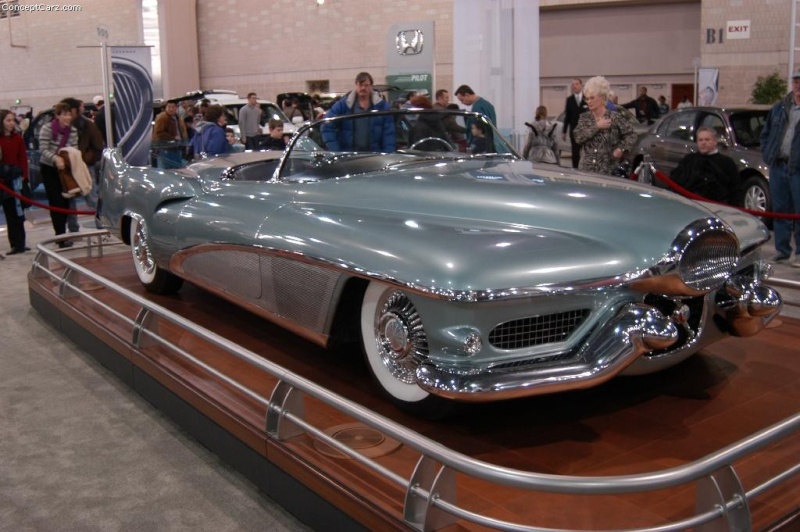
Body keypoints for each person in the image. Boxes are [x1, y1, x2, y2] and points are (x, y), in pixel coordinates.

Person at [760, 69, 800, 266]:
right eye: (796, 82)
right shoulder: (780, 108)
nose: (798, 86)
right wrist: (768, 152)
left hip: (798, 169)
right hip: (778, 166)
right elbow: (765, 133)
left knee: (799, 212)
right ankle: (782, 250)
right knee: (780, 211)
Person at [573, 76, 637, 175]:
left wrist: (621, 148)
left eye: (592, 98)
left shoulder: (615, 117)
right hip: (586, 170)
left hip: (608, 170)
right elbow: (578, 138)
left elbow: (631, 135)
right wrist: (596, 126)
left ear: (602, 98)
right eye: (587, 98)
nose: (589, 101)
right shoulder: (584, 118)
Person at [322, 71, 395, 152]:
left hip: (375, 157)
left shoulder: (383, 107)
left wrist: (387, 155)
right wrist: (336, 151)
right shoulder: (343, 105)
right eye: (360, 85)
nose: (363, 88)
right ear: (356, 85)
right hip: (349, 158)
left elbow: (389, 134)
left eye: (366, 85)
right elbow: (326, 125)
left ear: (371, 86)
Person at [38, 102, 78, 247]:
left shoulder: (72, 131)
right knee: (56, 202)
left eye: (69, 114)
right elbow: (43, 149)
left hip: (65, 169)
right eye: (64, 114)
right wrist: (56, 158)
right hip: (49, 168)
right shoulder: (47, 129)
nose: (67, 117)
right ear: (57, 116)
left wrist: (68, 160)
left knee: (66, 202)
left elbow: (74, 148)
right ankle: (60, 236)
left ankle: (64, 233)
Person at [61, 98, 104, 231]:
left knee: (91, 197)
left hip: (85, 166)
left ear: (73, 110)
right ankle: (73, 228)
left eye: (67, 112)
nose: (66, 115)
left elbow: (98, 145)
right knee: (70, 200)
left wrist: (85, 158)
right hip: (67, 167)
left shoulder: (87, 125)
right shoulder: (61, 126)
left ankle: (102, 225)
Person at [669, 127, 740, 205]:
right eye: (700, 140)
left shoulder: (726, 162)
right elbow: (675, 181)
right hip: (691, 204)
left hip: (718, 206)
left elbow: (735, 189)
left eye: (707, 140)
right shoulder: (689, 159)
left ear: (715, 141)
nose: (703, 143)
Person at [0, 109, 30, 254]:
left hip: (16, 179)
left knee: (18, 212)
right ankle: (14, 243)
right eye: (8, 120)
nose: (11, 123)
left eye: (12, 120)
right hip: (3, 180)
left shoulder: (18, 138)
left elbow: (22, 157)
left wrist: (25, 175)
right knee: (9, 213)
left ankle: (20, 244)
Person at [152, 100, 188, 169]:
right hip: (166, 148)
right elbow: (159, 133)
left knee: (176, 169)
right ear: (166, 107)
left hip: (176, 147)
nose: (171, 109)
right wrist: (173, 137)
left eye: (173, 107)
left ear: (176, 107)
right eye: (169, 107)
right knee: (167, 170)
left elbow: (181, 131)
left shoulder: (177, 118)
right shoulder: (162, 118)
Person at [562, 77, 589, 168]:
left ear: (581, 85)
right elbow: (567, 116)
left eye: (576, 84)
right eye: (573, 84)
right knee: (575, 151)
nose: (574, 86)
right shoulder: (569, 100)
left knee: (584, 151)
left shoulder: (587, 99)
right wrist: (564, 131)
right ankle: (575, 169)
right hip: (574, 130)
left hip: (585, 130)